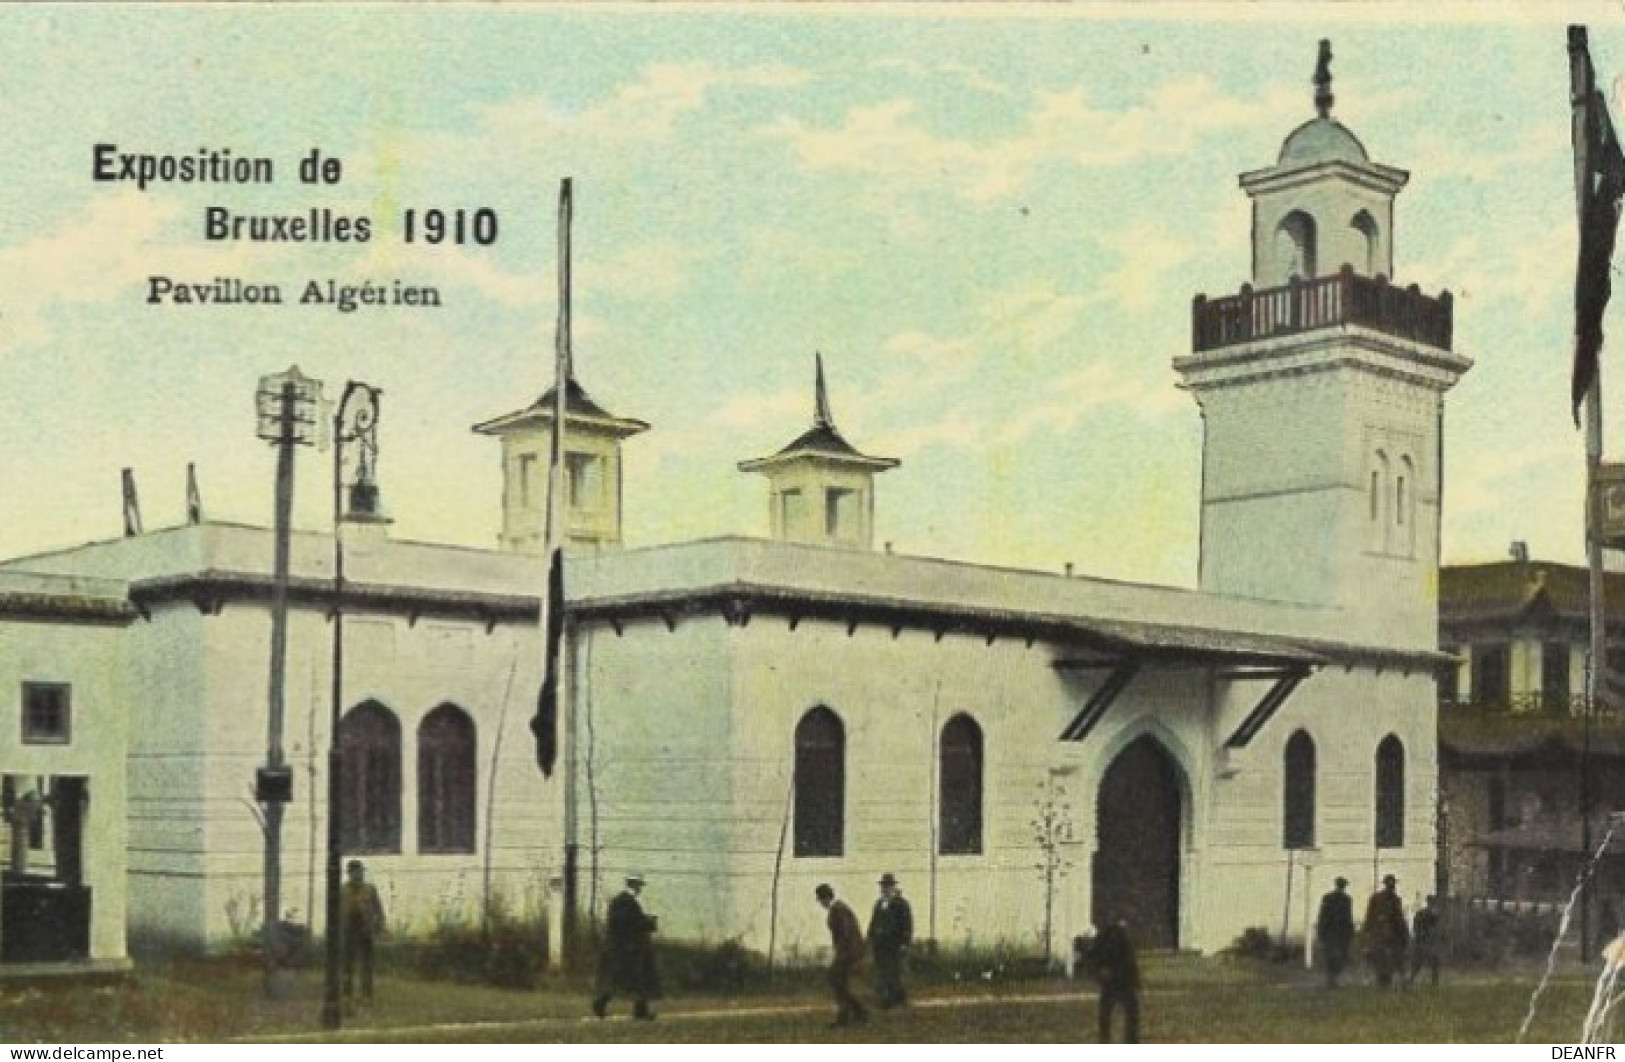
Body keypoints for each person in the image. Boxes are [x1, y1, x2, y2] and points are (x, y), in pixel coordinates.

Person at [592, 874, 662, 1020]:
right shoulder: (627, 902)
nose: (640, 889)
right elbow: (627, 924)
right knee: (636, 979)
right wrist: (647, 923)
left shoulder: (620, 901)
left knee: (625, 981)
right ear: (635, 885)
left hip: (619, 948)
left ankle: (606, 1003)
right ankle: (636, 1011)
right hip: (627, 949)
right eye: (639, 885)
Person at [816, 883, 868, 1027]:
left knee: (836, 981)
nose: (820, 903)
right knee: (839, 983)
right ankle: (857, 1012)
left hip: (848, 952)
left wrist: (842, 955)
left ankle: (848, 1015)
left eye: (820, 900)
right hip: (848, 952)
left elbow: (846, 934)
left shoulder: (838, 910)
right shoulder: (838, 908)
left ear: (826, 898)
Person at [341, 859, 386, 1007]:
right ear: (349, 874)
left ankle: (367, 995)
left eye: (360, 872)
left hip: (365, 931)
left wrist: (379, 925)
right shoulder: (342, 890)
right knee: (347, 965)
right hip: (348, 931)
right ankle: (347, 995)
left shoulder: (369, 889)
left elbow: (378, 909)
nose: (358, 875)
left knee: (367, 965)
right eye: (355, 872)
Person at [1089, 917, 1141, 1043]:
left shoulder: (1102, 937)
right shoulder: (1123, 937)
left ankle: (1104, 1038)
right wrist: (1136, 980)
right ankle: (1131, 1040)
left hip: (1110, 981)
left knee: (1106, 1012)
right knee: (1131, 1011)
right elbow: (1130, 960)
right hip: (1123, 981)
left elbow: (1095, 957)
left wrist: (1099, 972)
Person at [868, 872, 914, 1009]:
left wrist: (905, 943)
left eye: (888, 886)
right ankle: (887, 999)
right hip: (880, 945)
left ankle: (898, 999)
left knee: (895, 972)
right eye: (883, 886)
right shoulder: (879, 904)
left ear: (893, 887)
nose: (885, 889)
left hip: (895, 944)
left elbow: (907, 924)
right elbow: (873, 923)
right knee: (883, 972)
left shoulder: (901, 904)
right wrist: (870, 938)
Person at [1362, 873, 1410, 988]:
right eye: (1390, 883)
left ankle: (1386, 980)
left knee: (1391, 958)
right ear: (1386, 884)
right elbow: (1369, 915)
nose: (1392, 886)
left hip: (1392, 934)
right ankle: (1383, 981)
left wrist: (1403, 932)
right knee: (1381, 958)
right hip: (1380, 933)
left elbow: (1399, 917)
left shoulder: (1396, 899)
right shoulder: (1376, 898)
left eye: (1393, 883)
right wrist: (1367, 931)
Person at [1315, 876, 1356, 988]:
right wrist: (1321, 931)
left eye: (1343, 885)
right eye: (1341, 885)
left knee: (1341, 956)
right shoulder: (1328, 898)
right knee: (1331, 956)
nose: (1341, 887)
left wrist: (1350, 931)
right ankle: (1331, 980)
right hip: (1331, 932)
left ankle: (1333, 978)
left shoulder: (1347, 899)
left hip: (1341, 932)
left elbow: (1348, 916)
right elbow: (1323, 915)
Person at [1409, 894, 1443, 987]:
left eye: (1433, 902)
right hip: (1422, 941)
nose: (1431, 903)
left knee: (1434, 962)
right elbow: (1416, 927)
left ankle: (1434, 982)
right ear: (1428, 902)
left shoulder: (1434, 913)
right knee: (1418, 963)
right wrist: (1420, 934)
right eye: (1430, 901)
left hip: (1429, 942)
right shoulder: (1422, 913)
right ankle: (1411, 980)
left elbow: (1436, 925)